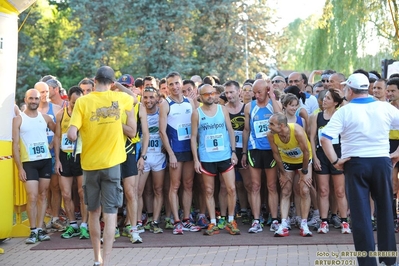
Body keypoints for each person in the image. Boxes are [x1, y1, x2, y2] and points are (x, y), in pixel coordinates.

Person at [321, 73, 399, 266]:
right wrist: (398, 151)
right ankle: (388, 259)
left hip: (355, 163)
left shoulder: (344, 111)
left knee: (360, 213)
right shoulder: (384, 107)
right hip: (381, 161)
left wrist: (335, 161)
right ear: (368, 89)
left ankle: (367, 262)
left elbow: (325, 138)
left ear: (349, 90)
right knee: (385, 209)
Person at [67, 66, 136, 266]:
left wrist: (75, 132)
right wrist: (120, 86)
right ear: (112, 83)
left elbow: (72, 133)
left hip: (89, 165)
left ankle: (96, 258)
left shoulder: (82, 101)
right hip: (112, 164)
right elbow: (133, 97)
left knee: (93, 212)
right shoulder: (120, 99)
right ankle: (107, 260)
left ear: (94, 81)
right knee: (111, 212)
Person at [191, 84, 240, 236]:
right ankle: (212, 221)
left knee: (231, 188)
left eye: (212, 93)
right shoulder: (196, 113)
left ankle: (231, 220)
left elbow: (230, 131)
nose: (210, 96)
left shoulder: (222, 109)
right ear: (200, 96)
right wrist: (196, 160)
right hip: (207, 157)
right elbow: (193, 137)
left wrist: (233, 152)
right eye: (206, 94)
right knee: (209, 190)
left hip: (225, 155)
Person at [159, 71, 200, 234]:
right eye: (171, 84)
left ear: (181, 83)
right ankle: (176, 221)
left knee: (188, 185)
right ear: (167, 87)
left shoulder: (190, 101)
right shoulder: (165, 104)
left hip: (189, 150)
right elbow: (162, 132)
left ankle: (186, 219)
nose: (175, 87)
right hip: (175, 150)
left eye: (177, 83)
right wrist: (171, 154)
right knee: (175, 186)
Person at [12, 89, 55, 244]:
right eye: (31, 98)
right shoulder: (18, 119)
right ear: (26, 99)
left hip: (45, 160)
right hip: (29, 163)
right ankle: (32, 230)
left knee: (43, 195)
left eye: (36, 98)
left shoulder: (45, 118)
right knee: (32, 196)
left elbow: (58, 131)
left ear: (39, 100)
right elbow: (15, 145)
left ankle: (39, 229)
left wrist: (51, 144)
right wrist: (20, 168)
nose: (34, 101)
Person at [241, 79, 281, 233]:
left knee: (271, 186)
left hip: (271, 150)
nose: (257, 95)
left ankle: (275, 219)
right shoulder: (249, 107)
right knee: (255, 186)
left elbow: (281, 116)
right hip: (254, 148)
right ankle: (256, 220)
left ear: (267, 90)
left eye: (260, 92)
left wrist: (272, 96)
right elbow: (246, 130)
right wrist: (244, 152)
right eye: (254, 92)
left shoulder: (273, 104)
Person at [309, 89, 350, 234]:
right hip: (322, 155)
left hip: (338, 155)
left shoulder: (341, 115)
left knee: (339, 191)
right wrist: (314, 157)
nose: (324, 100)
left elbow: (347, 107)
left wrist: (343, 96)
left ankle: (344, 221)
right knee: (323, 190)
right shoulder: (316, 117)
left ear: (336, 102)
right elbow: (312, 139)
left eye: (328, 98)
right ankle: (324, 221)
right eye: (324, 97)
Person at [267, 112, 313, 237]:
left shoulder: (297, 131)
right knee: (286, 190)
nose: (269, 126)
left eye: (272, 124)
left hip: (303, 160)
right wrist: (282, 173)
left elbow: (306, 152)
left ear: (281, 125)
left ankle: (304, 224)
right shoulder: (271, 135)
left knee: (304, 189)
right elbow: (276, 154)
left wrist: (304, 172)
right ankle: (283, 224)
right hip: (287, 161)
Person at [53, 86, 89, 239]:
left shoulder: (85, 114)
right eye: (74, 103)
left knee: (82, 193)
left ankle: (84, 225)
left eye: (79, 102)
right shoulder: (61, 114)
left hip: (81, 157)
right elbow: (57, 137)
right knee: (66, 194)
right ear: (68, 100)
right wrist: (57, 160)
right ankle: (72, 224)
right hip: (65, 157)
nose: (76, 105)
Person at [35, 81, 64, 232]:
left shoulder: (57, 109)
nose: (44, 95)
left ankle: (55, 218)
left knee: (55, 187)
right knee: (42, 190)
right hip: (37, 156)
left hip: (53, 154)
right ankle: (42, 220)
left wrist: (52, 145)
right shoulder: (30, 111)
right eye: (41, 92)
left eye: (46, 91)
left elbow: (59, 131)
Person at [137, 87, 166, 235]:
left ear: (157, 98)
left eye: (151, 97)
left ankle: (155, 221)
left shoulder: (162, 111)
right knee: (138, 190)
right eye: (145, 97)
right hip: (144, 156)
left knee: (158, 189)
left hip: (159, 156)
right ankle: (137, 222)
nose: (148, 100)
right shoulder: (138, 111)